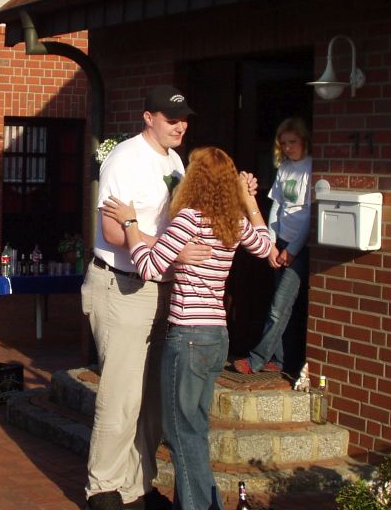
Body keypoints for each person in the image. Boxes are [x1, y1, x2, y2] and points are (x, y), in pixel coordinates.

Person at [102, 146, 272, 510]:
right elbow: (265, 246)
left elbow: (148, 267)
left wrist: (131, 225)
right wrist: (249, 201)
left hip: (189, 334)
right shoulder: (233, 221)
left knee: (180, 432)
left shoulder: (190, 219)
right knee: (195, 429)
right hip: (217, 336)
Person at [83, 85, 215, 510]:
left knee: (152, 398)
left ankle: (137, 487)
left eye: (184, 119)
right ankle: (103, 489)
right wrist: (173, 250)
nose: (181, 126)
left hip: (162, 287)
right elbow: (111, 231)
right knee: (121, 395)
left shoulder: (175, 160)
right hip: (123, 286)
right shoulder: (125, 158)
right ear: (148, 117)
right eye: (171, 119)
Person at [233, 117, 312, 376]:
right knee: (280, 304)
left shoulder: (311, 168)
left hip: (298, 247)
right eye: (284, 143)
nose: (288, 148)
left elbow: (310, 214)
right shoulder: (285, 168)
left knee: (280, 306)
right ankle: (280, 360)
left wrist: (293, 250)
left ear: (304, 140)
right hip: (280, 243)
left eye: (293, 142)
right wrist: (271, 244)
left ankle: (256, 359)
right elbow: (277, 206)